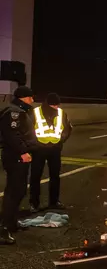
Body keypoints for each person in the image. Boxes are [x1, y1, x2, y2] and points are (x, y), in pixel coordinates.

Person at [0, 86, 37, 245]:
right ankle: (3, 229)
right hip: (15, 155)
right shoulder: (14, 112)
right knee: (14, 191)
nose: (32, 100)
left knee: (19, 189)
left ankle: (11, 223)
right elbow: (11, 134)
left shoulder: (21, 110)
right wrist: (23, 151)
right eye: (30, 97)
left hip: (19, 155)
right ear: (23, 97)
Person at [29, 93, 72, 213]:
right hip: (39, 149)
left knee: (55, 177)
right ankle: (34, 203)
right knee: (35, 177)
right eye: (54, 105)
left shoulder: (61, 113)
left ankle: (54, 202)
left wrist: (60, 141)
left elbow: (67, 128)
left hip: (55, 149)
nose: (56, 107)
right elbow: (29, 129)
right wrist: (34, 144)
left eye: (57, 105)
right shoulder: (36, 112)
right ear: (48, 104)